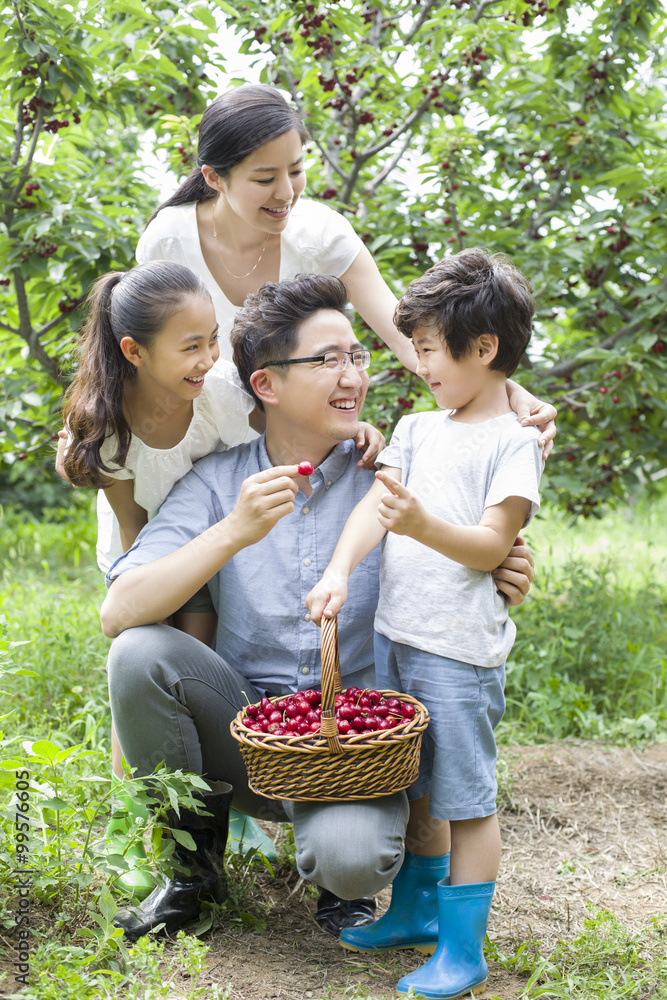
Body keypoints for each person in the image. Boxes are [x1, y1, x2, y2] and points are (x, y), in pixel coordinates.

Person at [99, 272, 538, 944]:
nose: (353, 376)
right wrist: (234, 532)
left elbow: (478, 535)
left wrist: (501, 563)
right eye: (326, 359)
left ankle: (336, 874)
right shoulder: (220, 485)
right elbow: (119, 610)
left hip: (354, 752)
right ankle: (192, 871)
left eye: (356, 356)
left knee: (353, 864)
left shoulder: (391, 475)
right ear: (265, 385)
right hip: (246, 734)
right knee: (139, 653)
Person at [305, 250, 544, 999]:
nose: (420, 363)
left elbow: (488, 545)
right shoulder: (416, 425)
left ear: (484, 349)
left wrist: (421, 523)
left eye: (432, 349)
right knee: (416, 788)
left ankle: (464, 949)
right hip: (398, 636)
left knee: (463, 798)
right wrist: (339, 569)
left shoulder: (512, 442)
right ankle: (414, 911)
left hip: (458, 651)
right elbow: (374, 510)